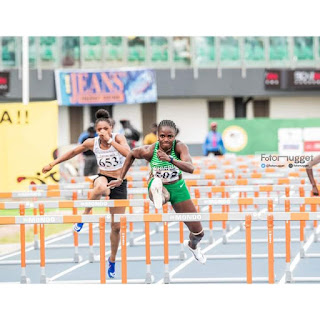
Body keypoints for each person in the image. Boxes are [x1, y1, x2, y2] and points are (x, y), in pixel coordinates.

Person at [42, 109, 130, 278]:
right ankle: (85, 215)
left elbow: (129, 154)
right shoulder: (93, 142)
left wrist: (111, 141)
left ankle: (112, 259)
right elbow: (74, 152)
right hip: (103, 177)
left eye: (105, 128)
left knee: (116, 227)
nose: (102, 132)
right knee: (99, 188)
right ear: (96, 131)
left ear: (111, 128)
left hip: (119, 182)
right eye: (99, 130)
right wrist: (53, 163)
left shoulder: (118, 138)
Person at [108, 119, 207, 264]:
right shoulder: (150, 150)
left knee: (199, 232)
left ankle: (193, 246)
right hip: (156, 185)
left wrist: (170, 159)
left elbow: (190, 168)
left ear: (174, 137)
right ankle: (157, 191)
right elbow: (132, 154)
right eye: (162, 136)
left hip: (178, 187)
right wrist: (120, 178)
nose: (166, 140)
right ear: (157, 136)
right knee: (160, 191)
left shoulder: (180, 147)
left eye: (169, 136)